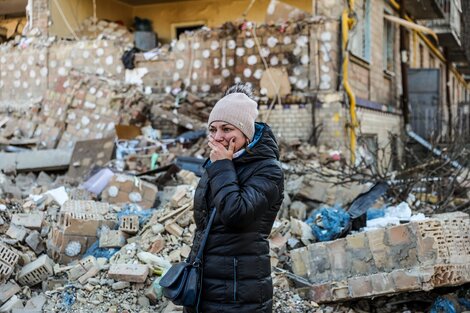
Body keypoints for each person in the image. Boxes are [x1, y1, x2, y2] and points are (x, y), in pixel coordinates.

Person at [184, 83, 284, 313]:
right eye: (213, 129)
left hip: (239, 291)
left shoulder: (267, 170)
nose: (218, 137)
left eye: (227, 129)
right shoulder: (222, 164)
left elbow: (235, 214)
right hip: (206, 281)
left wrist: (222, 166)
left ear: (245, 132)